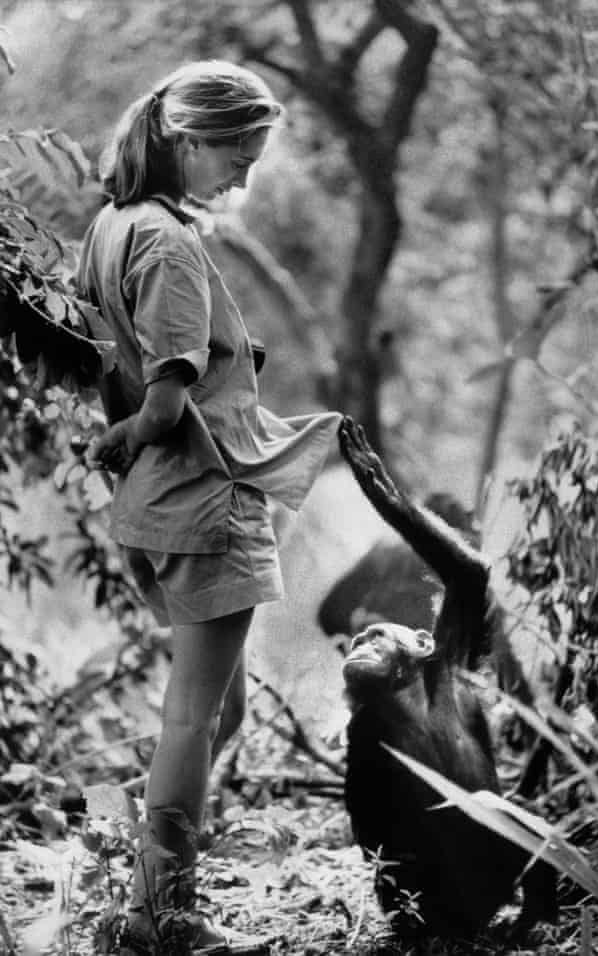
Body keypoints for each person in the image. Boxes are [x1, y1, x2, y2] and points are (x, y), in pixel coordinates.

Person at [77, 60, 341, 956]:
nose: (243, 174)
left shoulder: (111, 227)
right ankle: (164, 917)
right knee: (197, 712)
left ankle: (147, 866)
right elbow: (158, 402)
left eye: (254, 156)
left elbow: (107, 359)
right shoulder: (172, 245)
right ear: (185, 141)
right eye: (234, 152)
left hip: (158, 506)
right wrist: (129, 436)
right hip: (204, 498)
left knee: (213, 713)